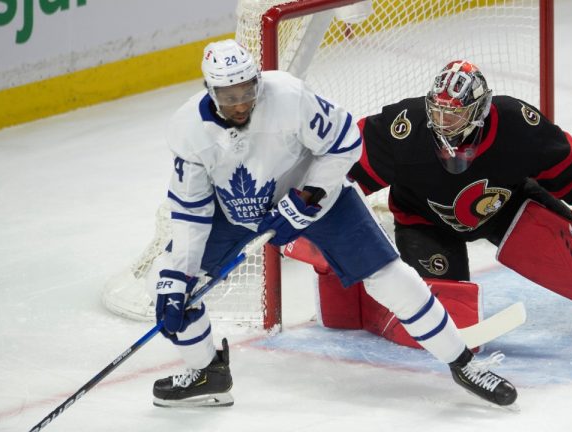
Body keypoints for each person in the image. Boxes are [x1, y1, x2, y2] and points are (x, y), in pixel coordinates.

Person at [146, 40, 518, 409]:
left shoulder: (288, 96)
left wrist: (308, 196)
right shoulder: (188, 129)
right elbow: (191, 212)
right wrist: (179, 277)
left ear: (258, 81)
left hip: (318, 198)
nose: (241, 104)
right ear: (210, 91)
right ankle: (207, 372)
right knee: (164, 281)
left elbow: (345, 142)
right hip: (235, 210)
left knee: (392, 278)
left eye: (247, 91)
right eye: (229, 97)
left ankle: (463, 363)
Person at [336, 60, 572, 339]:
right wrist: (320, 208)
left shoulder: (517, 123)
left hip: (510, 208)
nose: (444, 122)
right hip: (424, 222)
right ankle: (358, 302)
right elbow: (345, 163)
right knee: (447, 310)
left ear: (480, 109)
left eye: (455, 113)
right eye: (439, 111)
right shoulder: (406, 127)